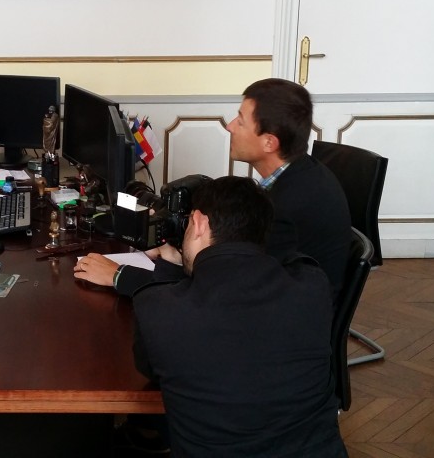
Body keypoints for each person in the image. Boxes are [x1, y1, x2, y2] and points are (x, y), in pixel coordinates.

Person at [128, 175, 347, 457]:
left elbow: (151, 370)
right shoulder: (313, 287)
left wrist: (173, 271)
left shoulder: (156, 308)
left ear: (198, 222)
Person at [75, 78, 351, 301]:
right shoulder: (302, 173)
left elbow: (223, 288)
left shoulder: (285, 207)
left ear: (269, 142)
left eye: (241, 121)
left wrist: (119, 276)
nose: (230, 126)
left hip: (278, 331)